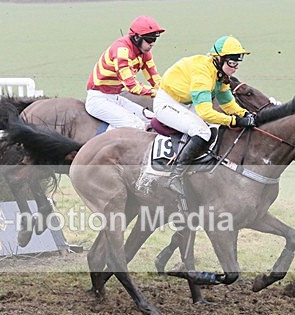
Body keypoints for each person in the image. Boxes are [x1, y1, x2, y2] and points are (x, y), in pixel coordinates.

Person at [153, 35, 255, 206]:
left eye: (239, 61)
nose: (236, 65)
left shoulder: (220, 73)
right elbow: (206, 112)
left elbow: (227, 102)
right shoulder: (203, 72)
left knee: (214, 127)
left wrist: (244, 114)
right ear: (219, 59)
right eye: (232, 61)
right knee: (202, 131)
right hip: (167, 103)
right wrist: (234, 121)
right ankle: (174, 176)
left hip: (185, 103)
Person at [85, 16, 164, 132]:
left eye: (155, 39)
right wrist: (157, 94)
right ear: (136, 37)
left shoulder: (145, 53)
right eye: (149, 39)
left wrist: (169, 93)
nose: (152, 44)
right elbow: (132, 87)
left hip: (115, 97)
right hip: (98, 99)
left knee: (153, 120)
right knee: (138, 127)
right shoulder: (121, 50)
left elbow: (155, 80)